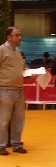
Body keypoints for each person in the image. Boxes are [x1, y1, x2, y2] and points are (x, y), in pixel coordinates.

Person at [0, 27, 28, 155]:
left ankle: (16, 144)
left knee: (19, 119)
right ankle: (1, 145)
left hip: (18, 90)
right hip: (4, 90)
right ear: (9, 37)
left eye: (20, 35)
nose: (19, 37)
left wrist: (29, 74)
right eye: (16, 35)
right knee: (3, 120)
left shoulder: (18, 52)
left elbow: (21, 69)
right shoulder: (1, 50)